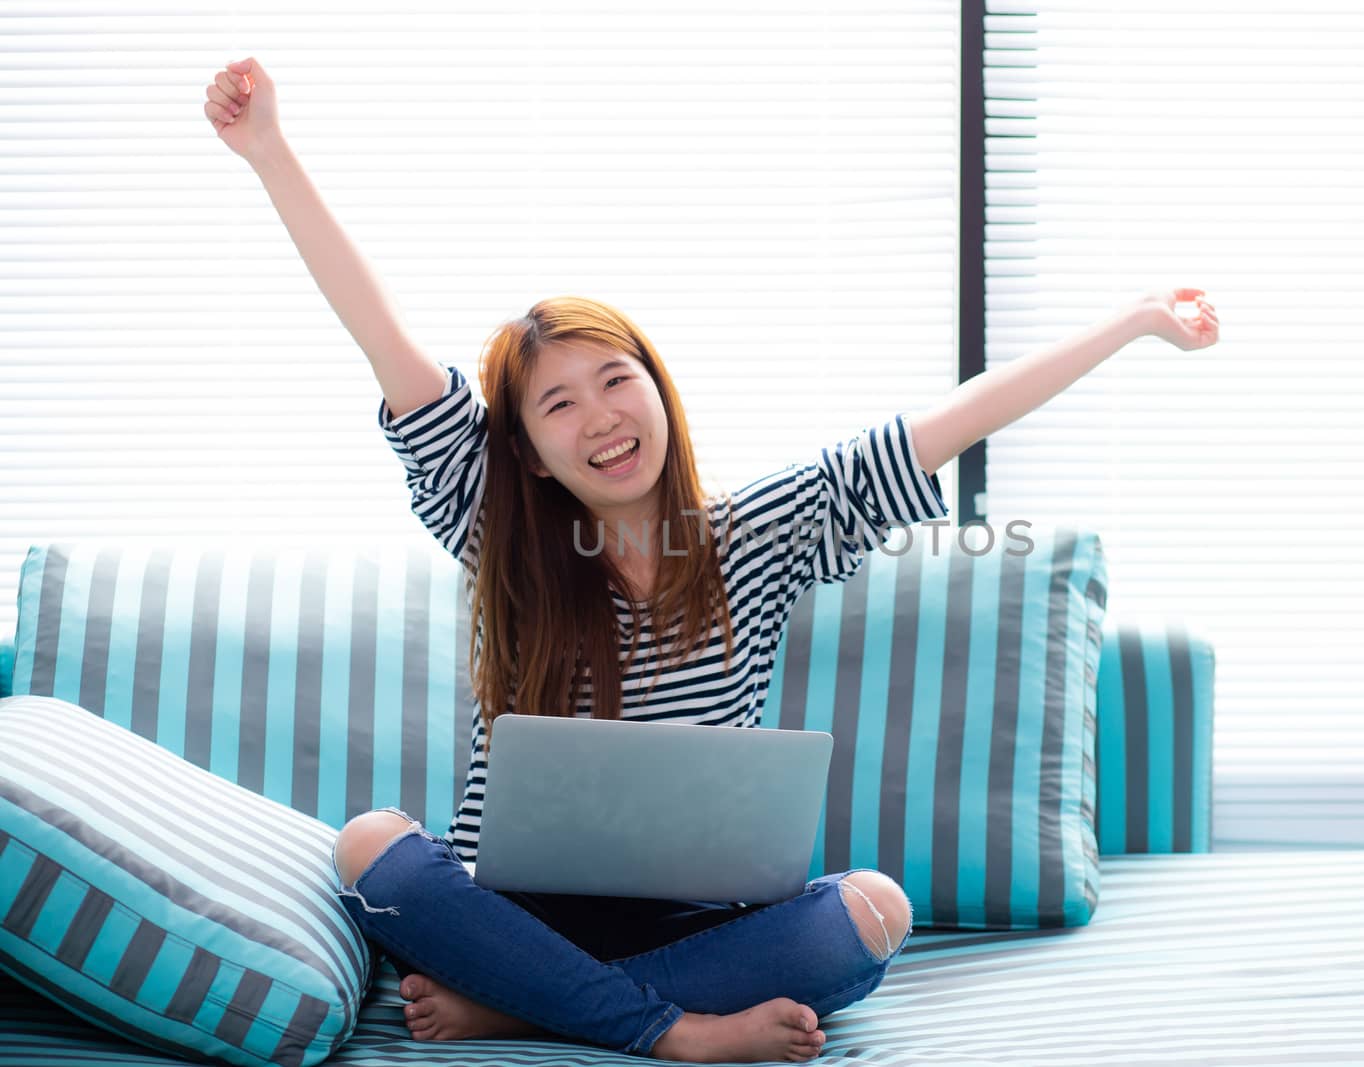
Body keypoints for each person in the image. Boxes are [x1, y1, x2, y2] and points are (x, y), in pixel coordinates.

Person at [202, 55, 1219, 1064]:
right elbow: (382, 336)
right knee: (370, 842)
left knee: (874, 908)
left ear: (658, 387)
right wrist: (270, 152)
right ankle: (669, 1027)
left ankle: (522, 1008)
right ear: (524, 450)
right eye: (558, 404)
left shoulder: (759, 530)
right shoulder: (496, 527)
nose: (600, 417)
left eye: (615, 379)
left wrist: (1130, 323)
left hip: (701, 925)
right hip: (512, 915)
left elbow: (947, 421)